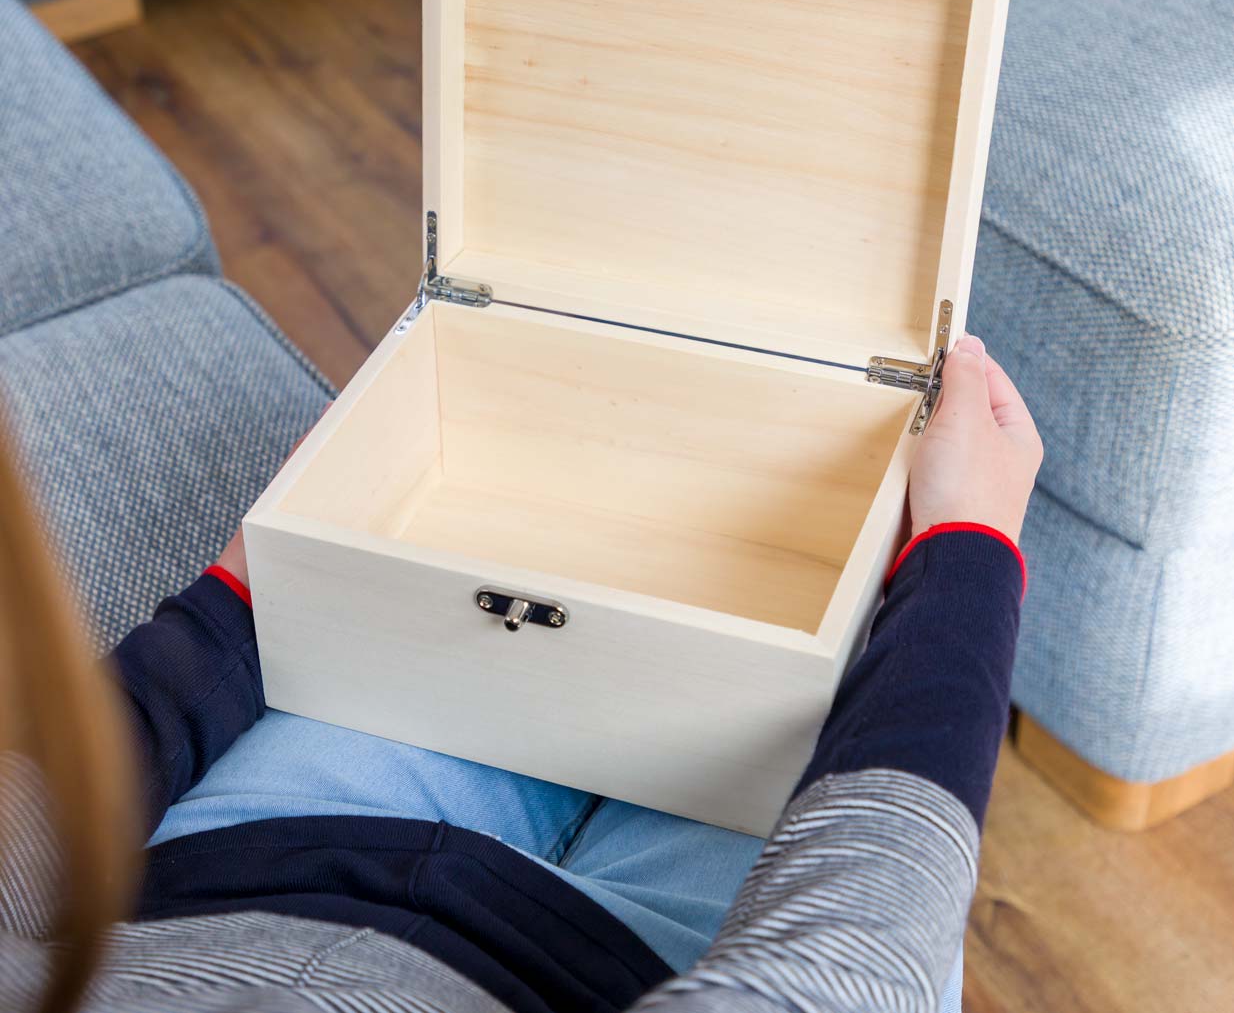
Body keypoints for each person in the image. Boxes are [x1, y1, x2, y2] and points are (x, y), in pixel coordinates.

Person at [0, 332, 1041, 1013]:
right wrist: (964, 554)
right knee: (834, 710)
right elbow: (845, 971)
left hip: (239, 868)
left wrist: (245, 588)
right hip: (649, 968)